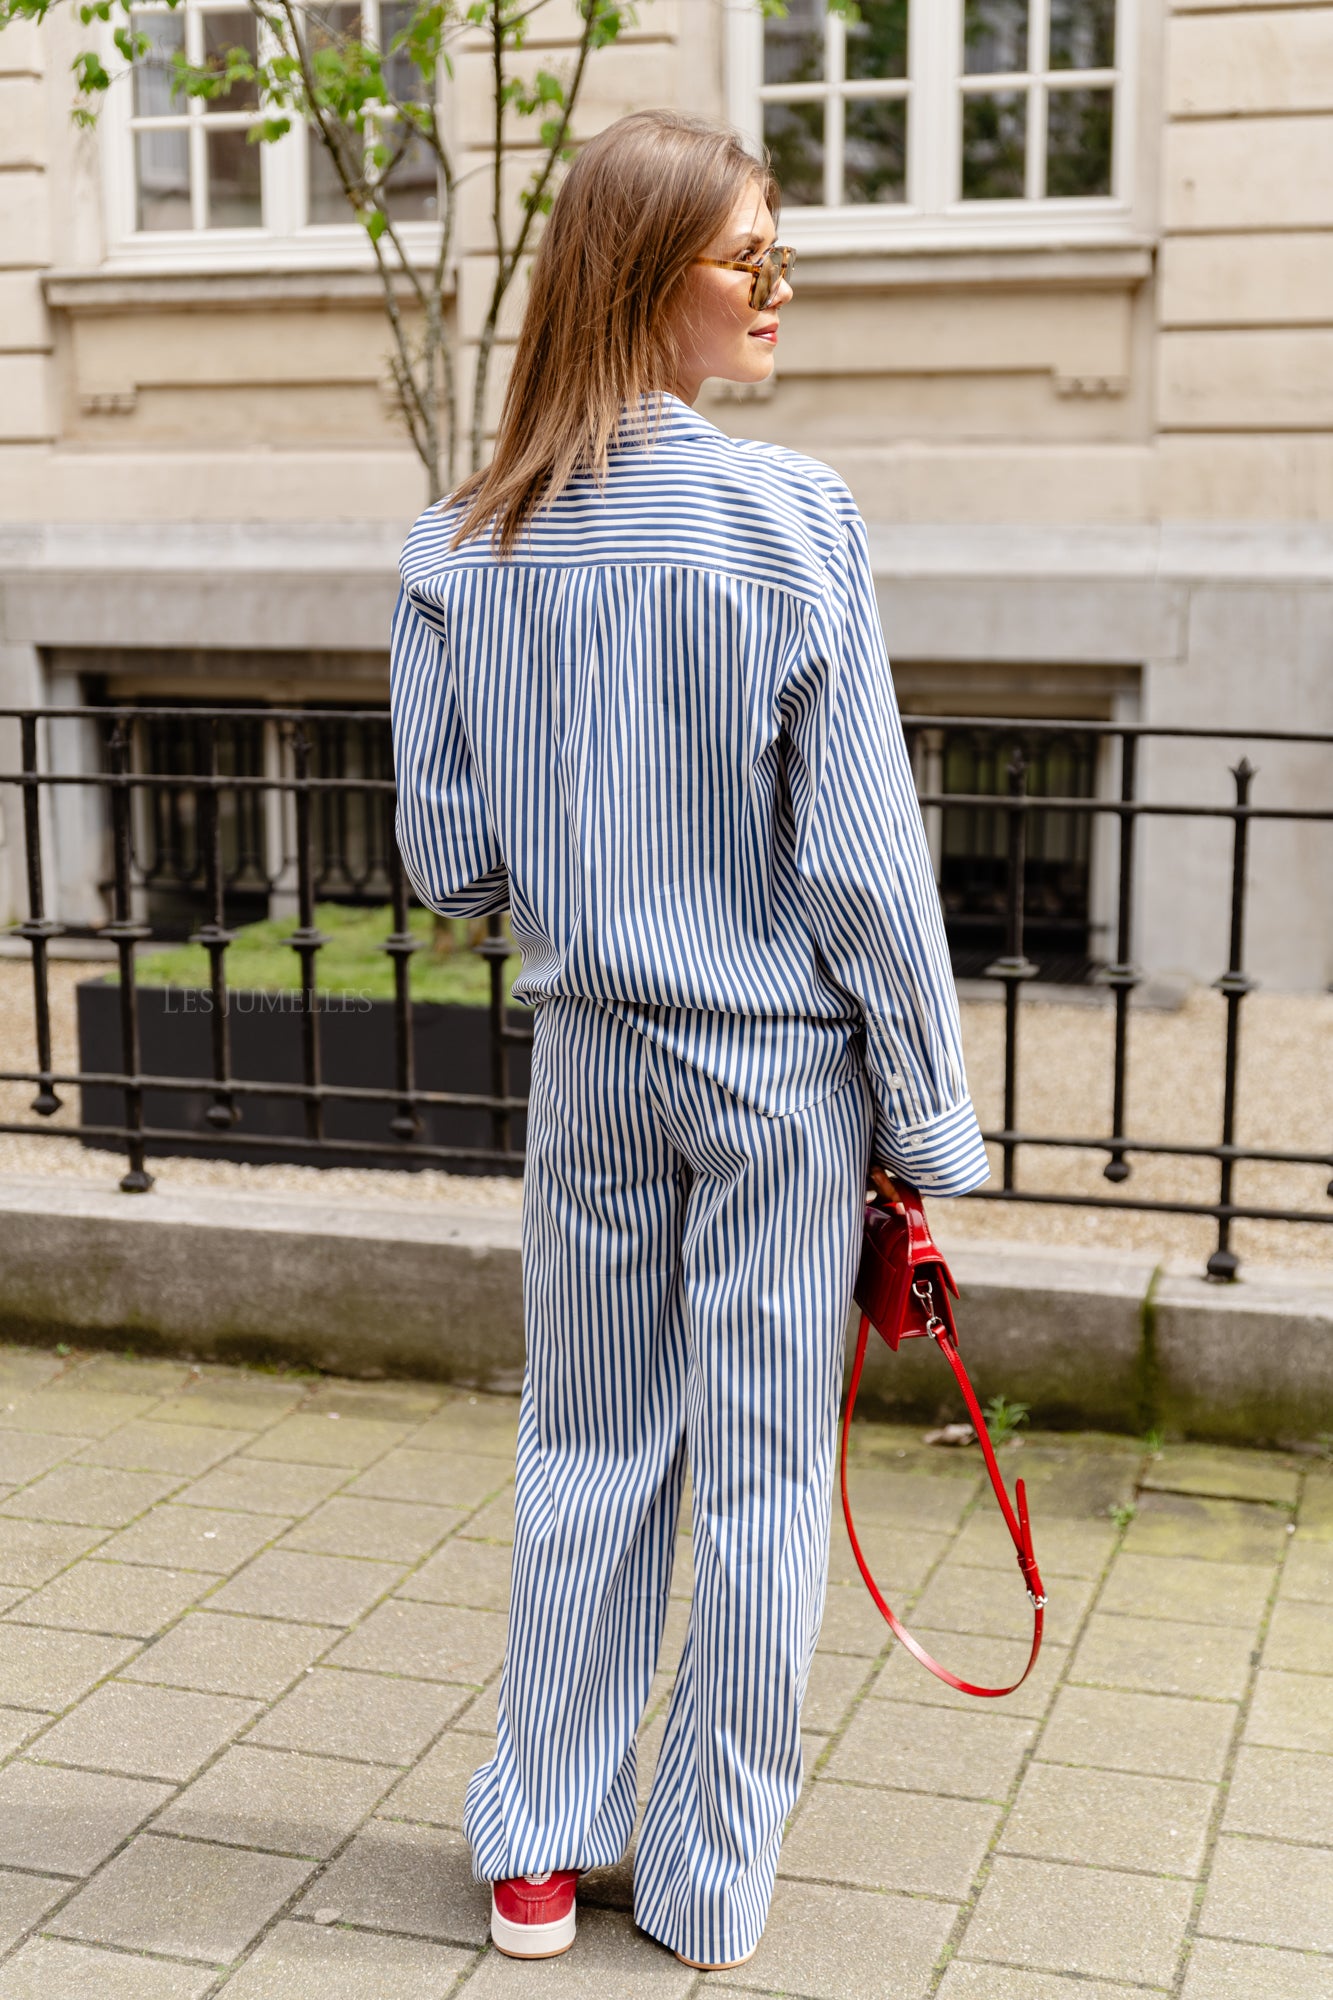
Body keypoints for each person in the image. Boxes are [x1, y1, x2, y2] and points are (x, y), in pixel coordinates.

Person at [389, 107, 988, 1973]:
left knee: (583, 1445)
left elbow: (448, 866)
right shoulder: (789, 518)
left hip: (589, 1063)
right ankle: (711, 1882)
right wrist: (929, 1121)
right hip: (770, 1077)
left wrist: (581, 842)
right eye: (754, 260)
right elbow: (864, 857)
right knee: (755, 1474)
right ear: (649, 278)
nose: (779, 291)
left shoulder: (457, 548)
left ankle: (538, 1852)